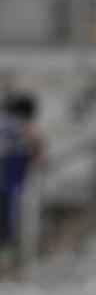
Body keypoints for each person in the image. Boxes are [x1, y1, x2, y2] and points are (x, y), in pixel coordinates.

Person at [0, 91, 46, 260]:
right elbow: (38, 153)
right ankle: (10, 248)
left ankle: (10, 248)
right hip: (12, 182)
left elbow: (37, 153)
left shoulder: (10, 126)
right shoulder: (20, 127)